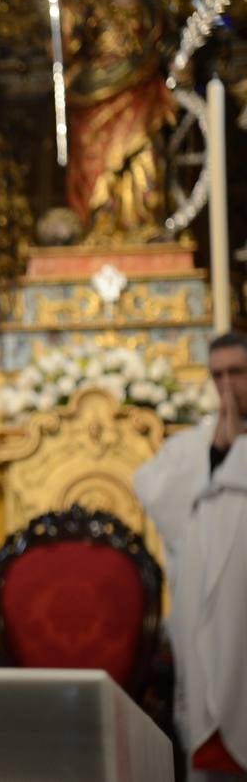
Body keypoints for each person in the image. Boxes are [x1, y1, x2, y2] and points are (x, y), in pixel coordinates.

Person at [135, 332, 247, 778]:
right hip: (204, 611)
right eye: (217, 374)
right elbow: (153, 491)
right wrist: (219, 448)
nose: (226, 384)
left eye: (236, 373)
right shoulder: (193, 446)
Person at [34, 0, 175, 241]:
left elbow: (168, 48)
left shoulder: (152, 10)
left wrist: (179, 66)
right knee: (93, 158)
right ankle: (95, 223)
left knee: (142, 155)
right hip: (94, 92)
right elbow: (64, 35)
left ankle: (140, 223)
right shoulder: (93, 4)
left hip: (139, 91)